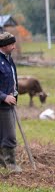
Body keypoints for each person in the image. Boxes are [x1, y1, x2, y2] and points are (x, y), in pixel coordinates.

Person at [0, 32, 21, 172]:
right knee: (9, 136)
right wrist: (4, 97)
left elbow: (13, 79)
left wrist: (15, 93)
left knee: (3, 134)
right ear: (4, 45)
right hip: (3, 104)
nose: (14, 47)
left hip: (8, 103)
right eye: (12, 44)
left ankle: (2, 163)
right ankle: (11, 164)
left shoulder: (9, 59)